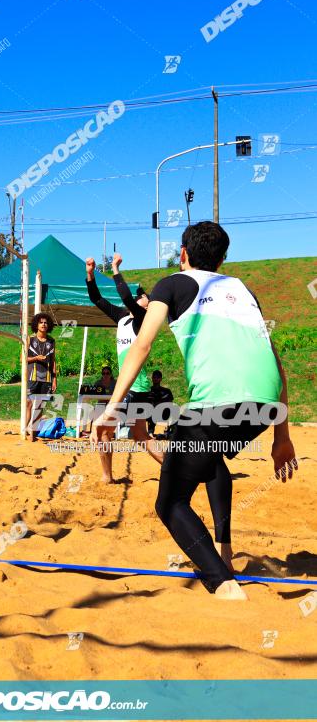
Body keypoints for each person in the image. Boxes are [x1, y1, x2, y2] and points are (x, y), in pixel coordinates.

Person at [92, 222, 297, 600]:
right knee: (210, 460)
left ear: (182, 254)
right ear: (222, 258)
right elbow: (276, 361)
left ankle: (223, 582)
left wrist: (111, 407)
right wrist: (282, 437)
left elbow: (142, 346)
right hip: (266, 403)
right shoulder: (242, 289)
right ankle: (223, 549)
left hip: (217, 403)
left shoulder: (171, 283)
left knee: (169, 503)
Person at [86, 255, 162, 482]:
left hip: (133, 386)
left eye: (144, 297)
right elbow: (96, 299)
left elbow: (127, 297)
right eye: (142, 297)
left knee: (104, 430)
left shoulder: (143, 319)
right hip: (136, 387)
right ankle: (176, 470)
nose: (142, 298)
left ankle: (106, 477)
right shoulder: (122, 318)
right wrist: (90, 274)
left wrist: (115, 269)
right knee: (139, 434)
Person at [26, 312, 57, 439]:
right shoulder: (30, 339)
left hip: (47, 378)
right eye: (41, 322)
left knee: (40, 405)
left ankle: (33, 431)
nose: (43, 324)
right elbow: (23, 360)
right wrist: (36, 358)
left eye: (45, 322)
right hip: (32, 376)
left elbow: (54, 361)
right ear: (36, 324)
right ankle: (25, 427)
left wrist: (55, 379)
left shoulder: (52, 341)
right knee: (29, 403)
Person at [148, 370, 174, 434]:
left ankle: (168, 430)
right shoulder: (148, 391)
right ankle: (150, 431)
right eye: (154, 377)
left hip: (164, 412)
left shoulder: (167, 391)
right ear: (152, 378)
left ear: (161, 379)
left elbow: (170, 404)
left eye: (158, 377)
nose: (156, 379)